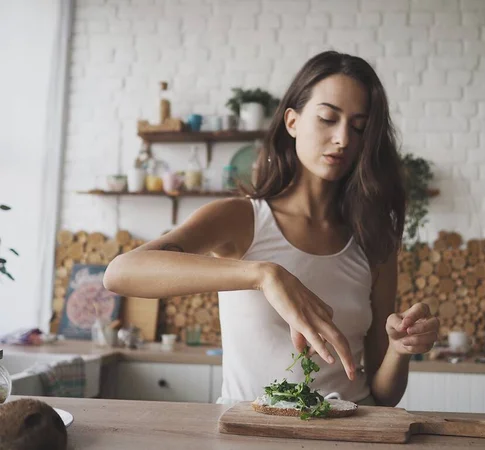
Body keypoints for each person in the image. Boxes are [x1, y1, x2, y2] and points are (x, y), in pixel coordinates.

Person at [104, 51, 440, 407]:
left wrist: (401, 349)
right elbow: (120, 273)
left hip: (349, 435)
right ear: (292, 122)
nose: (343, 138)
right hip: (248, 437)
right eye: (328, 118)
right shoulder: (240, 219)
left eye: (358, 127)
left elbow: (384, 394)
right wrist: (264, 275)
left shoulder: (374, 238)